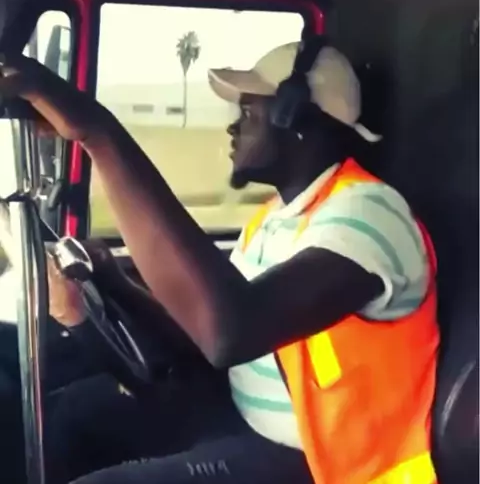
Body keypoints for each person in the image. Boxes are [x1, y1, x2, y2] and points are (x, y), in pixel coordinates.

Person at [0, 41, 440, 484]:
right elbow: (200, 337)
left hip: (320, 464)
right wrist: (114, 281)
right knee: (73, 416)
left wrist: (98, 133)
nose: (233, 126)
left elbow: (230, 332)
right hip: (239, 417)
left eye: (248, 111)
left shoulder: (369, 213)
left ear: (295, 118)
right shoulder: (272, 220)